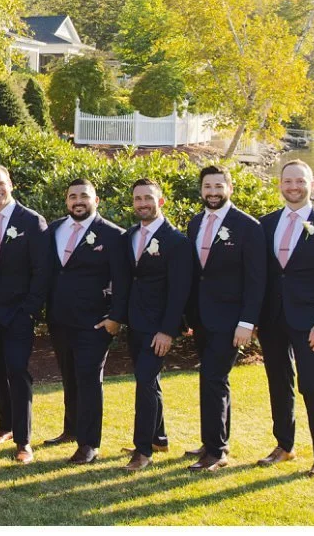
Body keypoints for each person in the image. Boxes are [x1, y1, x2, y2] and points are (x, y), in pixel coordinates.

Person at [257, 159, 314, 478]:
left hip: (311, 321)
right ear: (280, 185)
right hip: (271, 320)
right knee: (279, 385)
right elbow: (260, 276)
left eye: (300, 181)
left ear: (312, 185)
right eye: (288, 181)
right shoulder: (265, 224)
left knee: (312, 386)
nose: (293, 187)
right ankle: (285, 446)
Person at [184, 165, 266, 472]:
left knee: (213, 378)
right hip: (202, 317)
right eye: (208, 187)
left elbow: (257, 280)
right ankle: (214, 442)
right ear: (201, 189)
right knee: (215, 380)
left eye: (219, 186)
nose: (213, 192)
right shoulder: (195, 223)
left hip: (232, 320)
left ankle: (216, 452)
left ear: (229, 188)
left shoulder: (248, 226)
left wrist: (247, 322)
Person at [43, 179, 128, 464]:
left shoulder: (113, 234)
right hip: (60, 319)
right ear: (66, 201)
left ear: (96, 200)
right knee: (69, 376)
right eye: (72, 196)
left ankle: (89, 443)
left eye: (84, 196)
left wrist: (115, 317)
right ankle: (71, 429)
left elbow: (123, 279)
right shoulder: (54, 229)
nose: (78, 201)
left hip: (95, 322)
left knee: (89, 379)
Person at [112, 178, 192, 472]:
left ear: (161, 202)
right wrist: (117, 318)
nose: (142, 203)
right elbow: (125, 281)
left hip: (159, 326)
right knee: (149, 381)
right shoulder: (129, 236)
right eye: (137, 199)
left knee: (144, 382)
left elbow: (180, 291)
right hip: (135, 322)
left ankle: (143, 450)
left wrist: (168, 330)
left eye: (148, 198)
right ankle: (158, 437)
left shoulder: (178, 242)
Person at [0, 164, 49, 465]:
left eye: (1, 184)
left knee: (17, 371)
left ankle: (24, 440)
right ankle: (4, 426)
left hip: (19, 312)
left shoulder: (31, 221)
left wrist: (30, 309)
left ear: (11, 185)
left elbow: (42, 270)